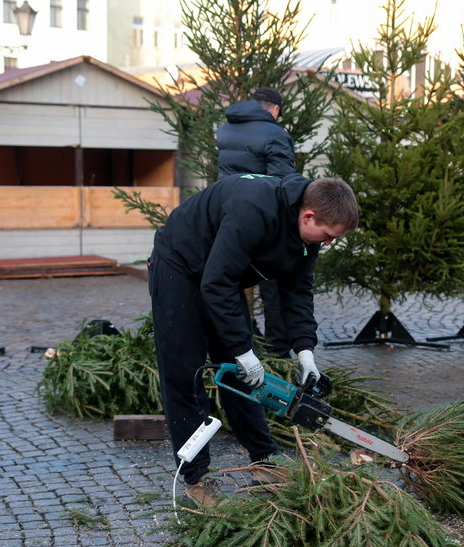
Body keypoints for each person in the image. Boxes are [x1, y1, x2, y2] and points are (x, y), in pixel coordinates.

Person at [148, 174, 359, 506]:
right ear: (308, 216)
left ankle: (264, 460)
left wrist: (305, 352)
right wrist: (243, 349)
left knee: (243, 373)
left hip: (219, 276)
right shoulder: (254, 210)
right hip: (180, 266)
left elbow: (297, 294)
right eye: (329, 235)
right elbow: (216, 284)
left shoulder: (308, 239)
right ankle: (196, 479)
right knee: (185, 374)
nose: (329, 243)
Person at [217, 86, 295, 358]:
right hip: (262, 221)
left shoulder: (226, 128)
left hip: (228, 214)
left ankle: (235, 348)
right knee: (274, 288)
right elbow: (281, 183)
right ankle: (278, 354)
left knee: (228, 283)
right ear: (274, 109)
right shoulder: (275, 133)